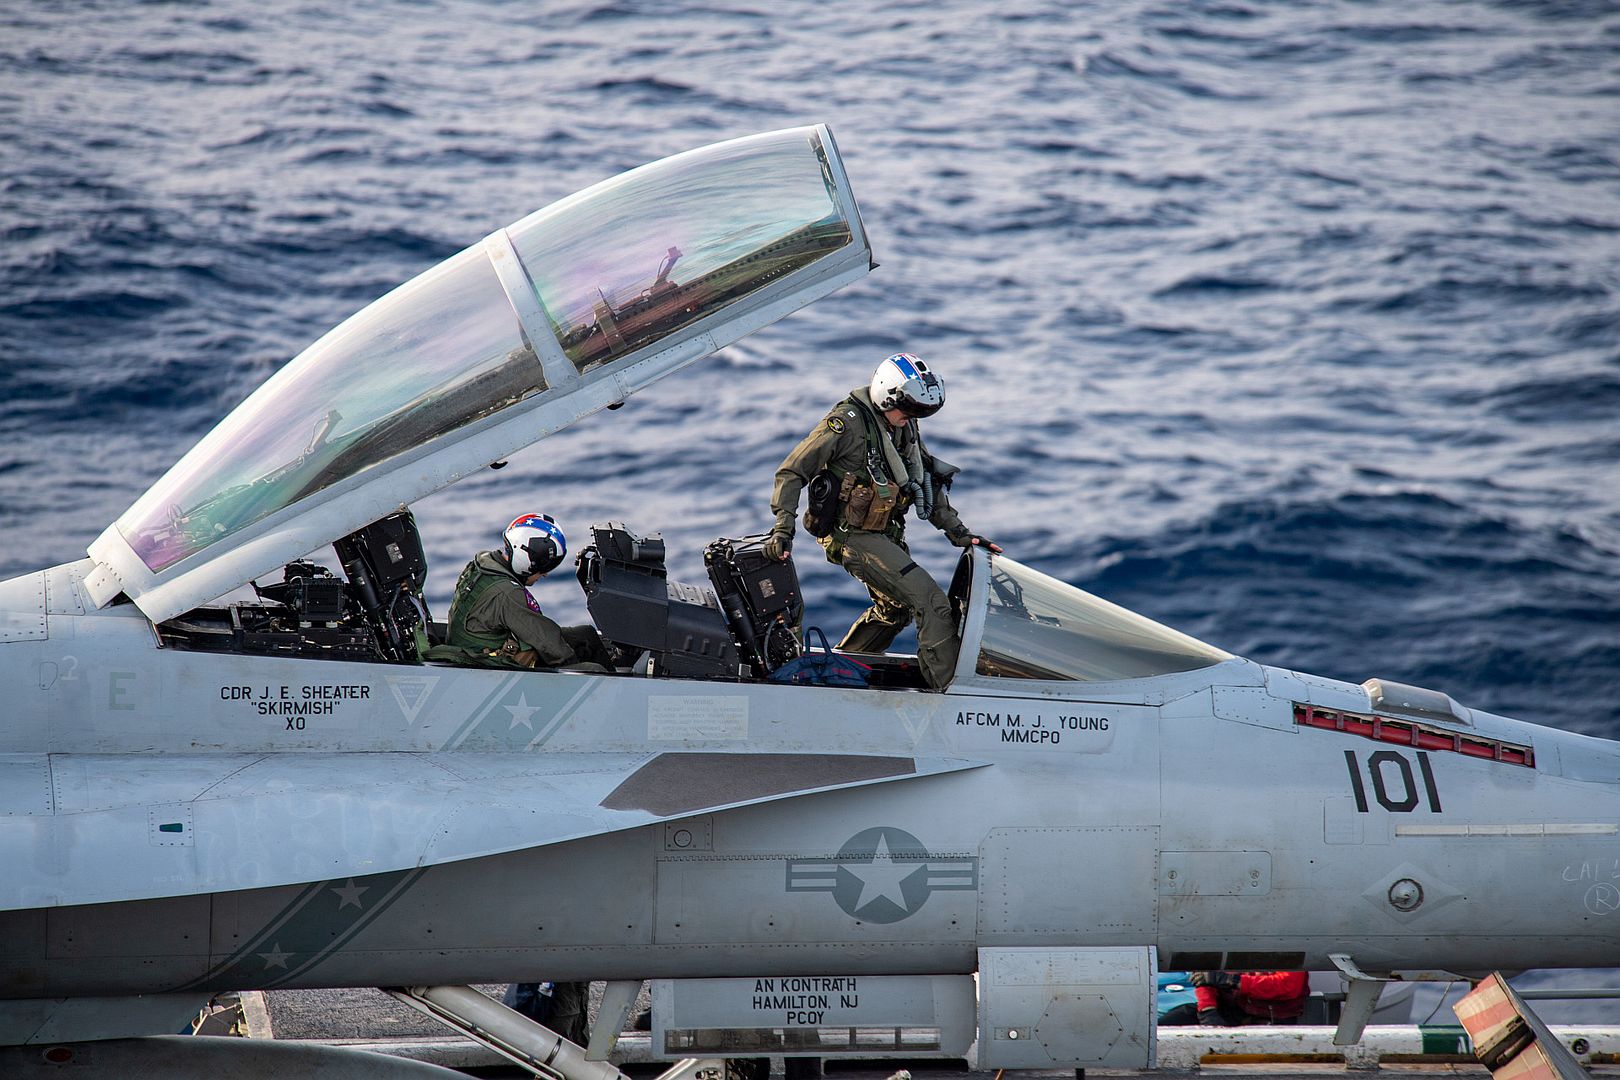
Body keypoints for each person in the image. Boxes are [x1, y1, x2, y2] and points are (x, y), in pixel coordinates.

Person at [767, 353, 1000, 690]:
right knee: (931, 603)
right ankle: (952, 694)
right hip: (851, 536)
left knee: (895, 610)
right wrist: (782, 528)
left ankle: (835, 673)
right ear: (885, 396)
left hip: (884, 534)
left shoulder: (902, 427)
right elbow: (791, 471)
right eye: (906, 411)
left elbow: (924, 482)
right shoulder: (845, 425)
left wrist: (960, 534)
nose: (909, 419)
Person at [431, 513, 613, 671]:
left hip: (478, 649)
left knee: (587, 635)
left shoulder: (482, 565)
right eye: (544, 566)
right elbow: (548, 642)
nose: (546, 574)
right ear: (527, 561)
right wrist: (576, 669)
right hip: (487, 667)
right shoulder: (507, 593)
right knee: (594, 671)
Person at [1189, 970, 1310, 1025]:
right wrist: (1207, 1010)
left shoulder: (1289, 939)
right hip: (1225, 1011)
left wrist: (1235, 981)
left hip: (1272, 1017)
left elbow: (1289, 986)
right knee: (1171, 1023)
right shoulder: (1222, 931)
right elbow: (1204, 977)